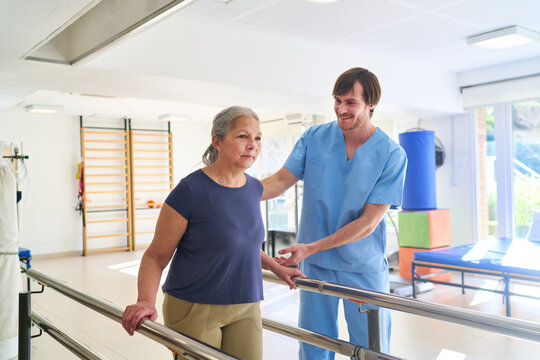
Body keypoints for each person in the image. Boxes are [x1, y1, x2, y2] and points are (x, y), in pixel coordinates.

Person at [122, 106, 304, 360]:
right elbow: (156, 256)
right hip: (195, 306)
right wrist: (145, 300)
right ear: (217, 142)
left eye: (258, 137)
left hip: (246, 304)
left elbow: (242, 244)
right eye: (242, 136)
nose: (252, 145)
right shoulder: (190, 191)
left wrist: (276, 267)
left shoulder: (253, 189)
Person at [262, 67, 407, 359]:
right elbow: (279, 182)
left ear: (371, 105)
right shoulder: (315, 137)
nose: (341, 109)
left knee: (371, 349)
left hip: (362, 268)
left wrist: (311, 247)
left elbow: (368, 223)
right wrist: (230, 191)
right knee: (314, 346)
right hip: (318, 264)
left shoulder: (392, 154)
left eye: (350, 102)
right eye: (337, 100)